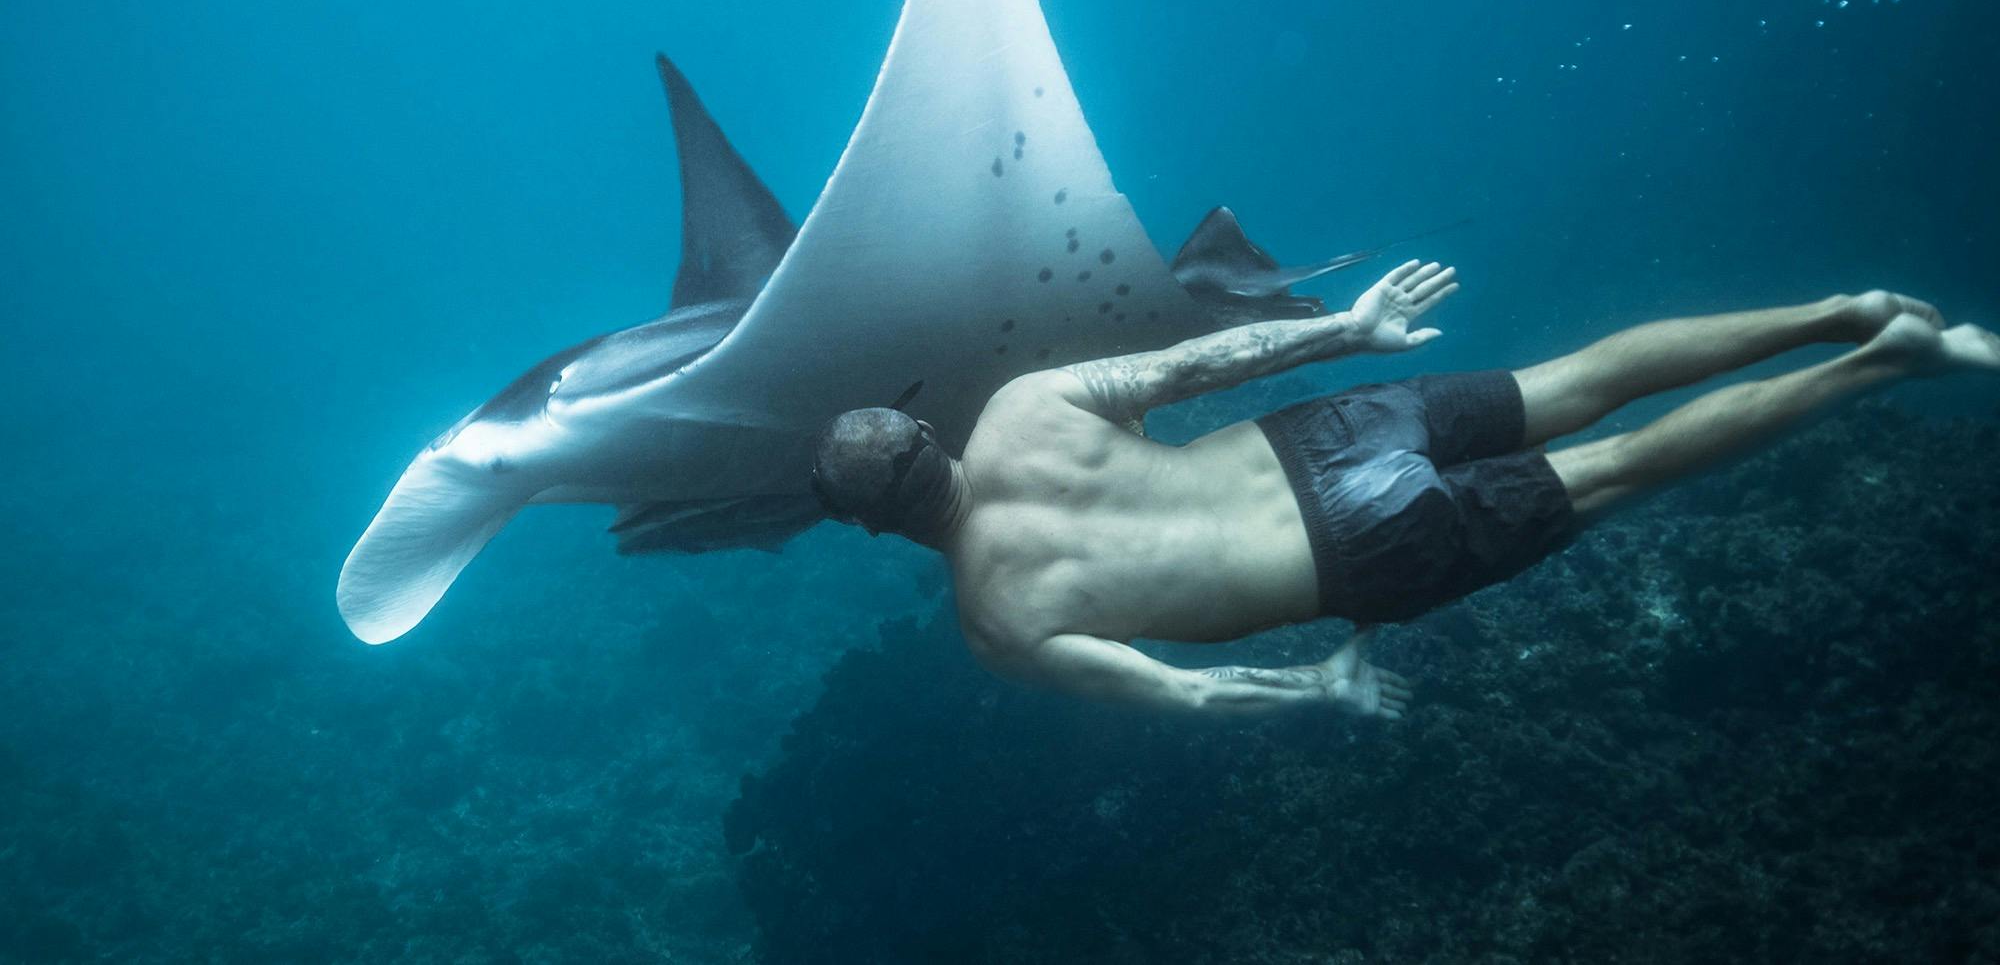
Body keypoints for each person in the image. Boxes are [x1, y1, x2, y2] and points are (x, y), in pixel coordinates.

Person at [809, 261, 1998, 719]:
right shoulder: (1020, 409)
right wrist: (1350, 325)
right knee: (1578, 381)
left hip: (1361, 552)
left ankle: (1874, 364)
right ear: (926, 429)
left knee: (1623, 466)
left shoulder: (997, 622)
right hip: (1318, 434)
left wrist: (1320, 684)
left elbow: (1189, 695)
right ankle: (1837, 307)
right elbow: (1192, 363)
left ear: (870, 526)